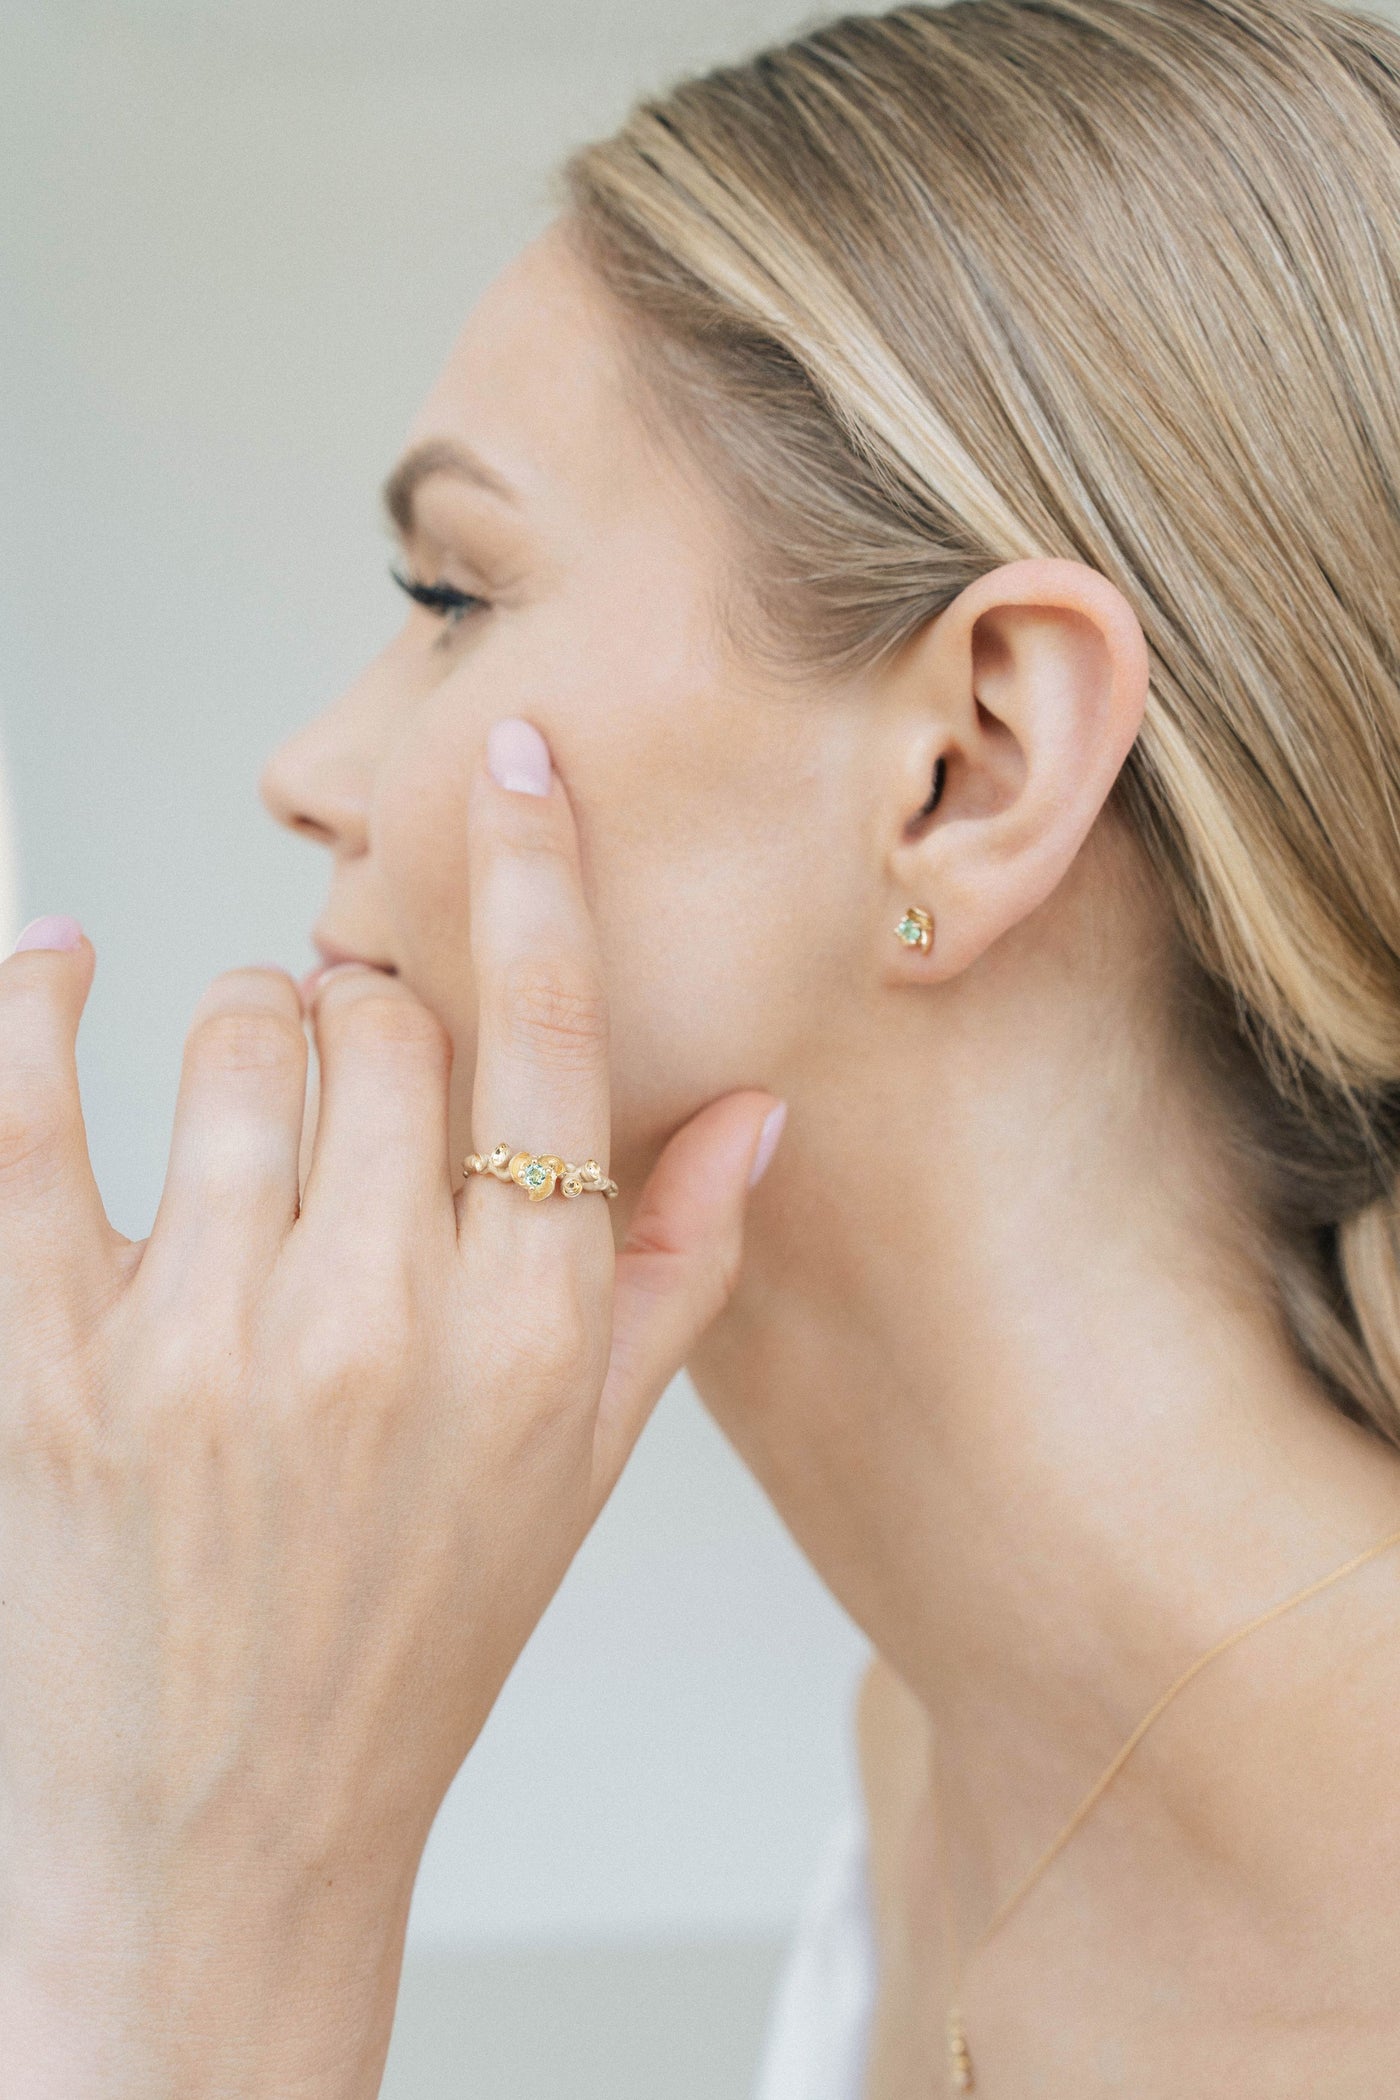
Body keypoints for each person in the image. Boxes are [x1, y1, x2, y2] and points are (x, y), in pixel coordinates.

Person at [7, 0, 1400, 2091]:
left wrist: (212, 1914)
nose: (307, 771)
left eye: (454, 587)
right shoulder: (931, 1746)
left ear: (970, 766)